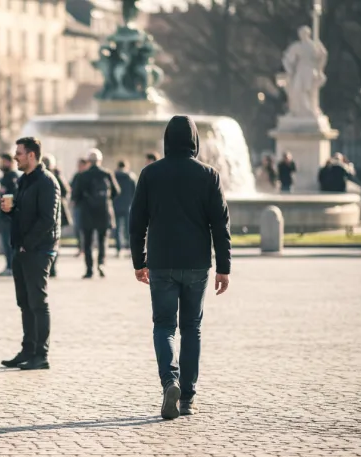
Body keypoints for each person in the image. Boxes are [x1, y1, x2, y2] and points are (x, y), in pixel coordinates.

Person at [130, 115, 231, 420]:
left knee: (163, 326)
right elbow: (220, 224)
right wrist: (223, 267)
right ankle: (187, 396)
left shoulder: (150, 174)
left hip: (161, 262)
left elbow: (136, 223)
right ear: (195, 142)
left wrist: (139, 261)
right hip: (197, 263)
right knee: (192, 328)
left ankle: (169, 381)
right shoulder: (209, 175)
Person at [0, 137, 61, 371]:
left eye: (19, 153)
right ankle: (28, 349)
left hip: (39, 249)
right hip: (22, 248)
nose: (15, 156)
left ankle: (41, 354)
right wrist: (11, 210)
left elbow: (47, 219)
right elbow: (24, 214)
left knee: (38, 301)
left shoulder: (47, 182)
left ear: (32, 155)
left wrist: (28, 244)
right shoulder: (24, 180)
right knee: (24, 301)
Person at [72, 149, 120, 278]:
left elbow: (75, 195)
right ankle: (101, 264)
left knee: (87, 242)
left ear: (88, 161)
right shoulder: (107, 174)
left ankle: (89, 269)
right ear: (100, 160)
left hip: (87, 212)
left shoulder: (83, 175)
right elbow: (116, 191)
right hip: (103, 212)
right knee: (102, 240)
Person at [42, 154, 72, 278]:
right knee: (54, 241)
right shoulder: (56, 175)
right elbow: (66, 191)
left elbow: (65, 191)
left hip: (50, 212)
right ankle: (52, 267)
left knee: (50, 241)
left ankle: (50, 267)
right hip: (57, 212)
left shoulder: (44, 176)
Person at [0, 152, 20, 276]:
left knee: (8, 242)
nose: (2, 164)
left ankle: (11, 266)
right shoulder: (5, 175)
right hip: (4, 214)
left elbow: (11, 194)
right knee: (6, 242)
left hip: (8, 215)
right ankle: (8, 265)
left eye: (4, 161)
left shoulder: (12, 176)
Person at [113, 160, 136, 258]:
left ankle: (119, 248)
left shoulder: (114, 176)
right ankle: (130, 248)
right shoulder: (131, 177)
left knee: (117, 228)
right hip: (128, 205)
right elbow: (135, 192)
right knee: (128, 228)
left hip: (116, 205)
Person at [69, 158, 89, 257]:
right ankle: (80, 248)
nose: (79, 167)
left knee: (85, 228)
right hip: (77, 205)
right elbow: (71, 188)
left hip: (86, 206)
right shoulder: (77, 176)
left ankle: (85, 248)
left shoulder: (88, 176)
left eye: (81, 165)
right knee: (77, 228)